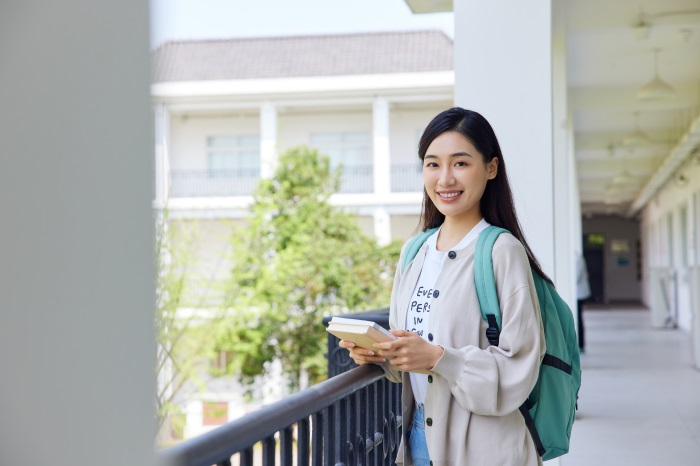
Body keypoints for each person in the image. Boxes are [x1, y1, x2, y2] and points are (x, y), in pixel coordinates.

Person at [339, 108, 548, 466]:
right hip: (416, 437)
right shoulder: (414, 251)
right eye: (432, 164)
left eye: (461, 163)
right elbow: (413, 347)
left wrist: (440, 358)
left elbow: (521, 365)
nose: (445, 179)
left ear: (491, 168)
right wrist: (380, 354)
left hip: (485, 445)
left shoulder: (502, 251)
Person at [576, 253, 591, 352]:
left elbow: (576, 277)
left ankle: (581, 344)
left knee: (579, 320)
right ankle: (580, 344)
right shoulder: (578, 258)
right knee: (579, 319)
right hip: (579, 293)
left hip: (579, 294)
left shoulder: (577, 259)